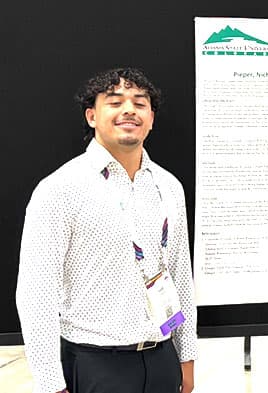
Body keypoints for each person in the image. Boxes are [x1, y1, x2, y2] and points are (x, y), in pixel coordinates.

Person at [16, 68, 197, 393]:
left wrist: (186, 357)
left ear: (151, 118)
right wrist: (50, 384)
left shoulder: (168, 186)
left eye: (140, 103)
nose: (129, 109)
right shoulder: (59, 190)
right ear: (91, 116)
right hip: (96, 365)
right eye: (115, 102)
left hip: (161, 360)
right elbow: (36, 294)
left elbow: (180, 276)